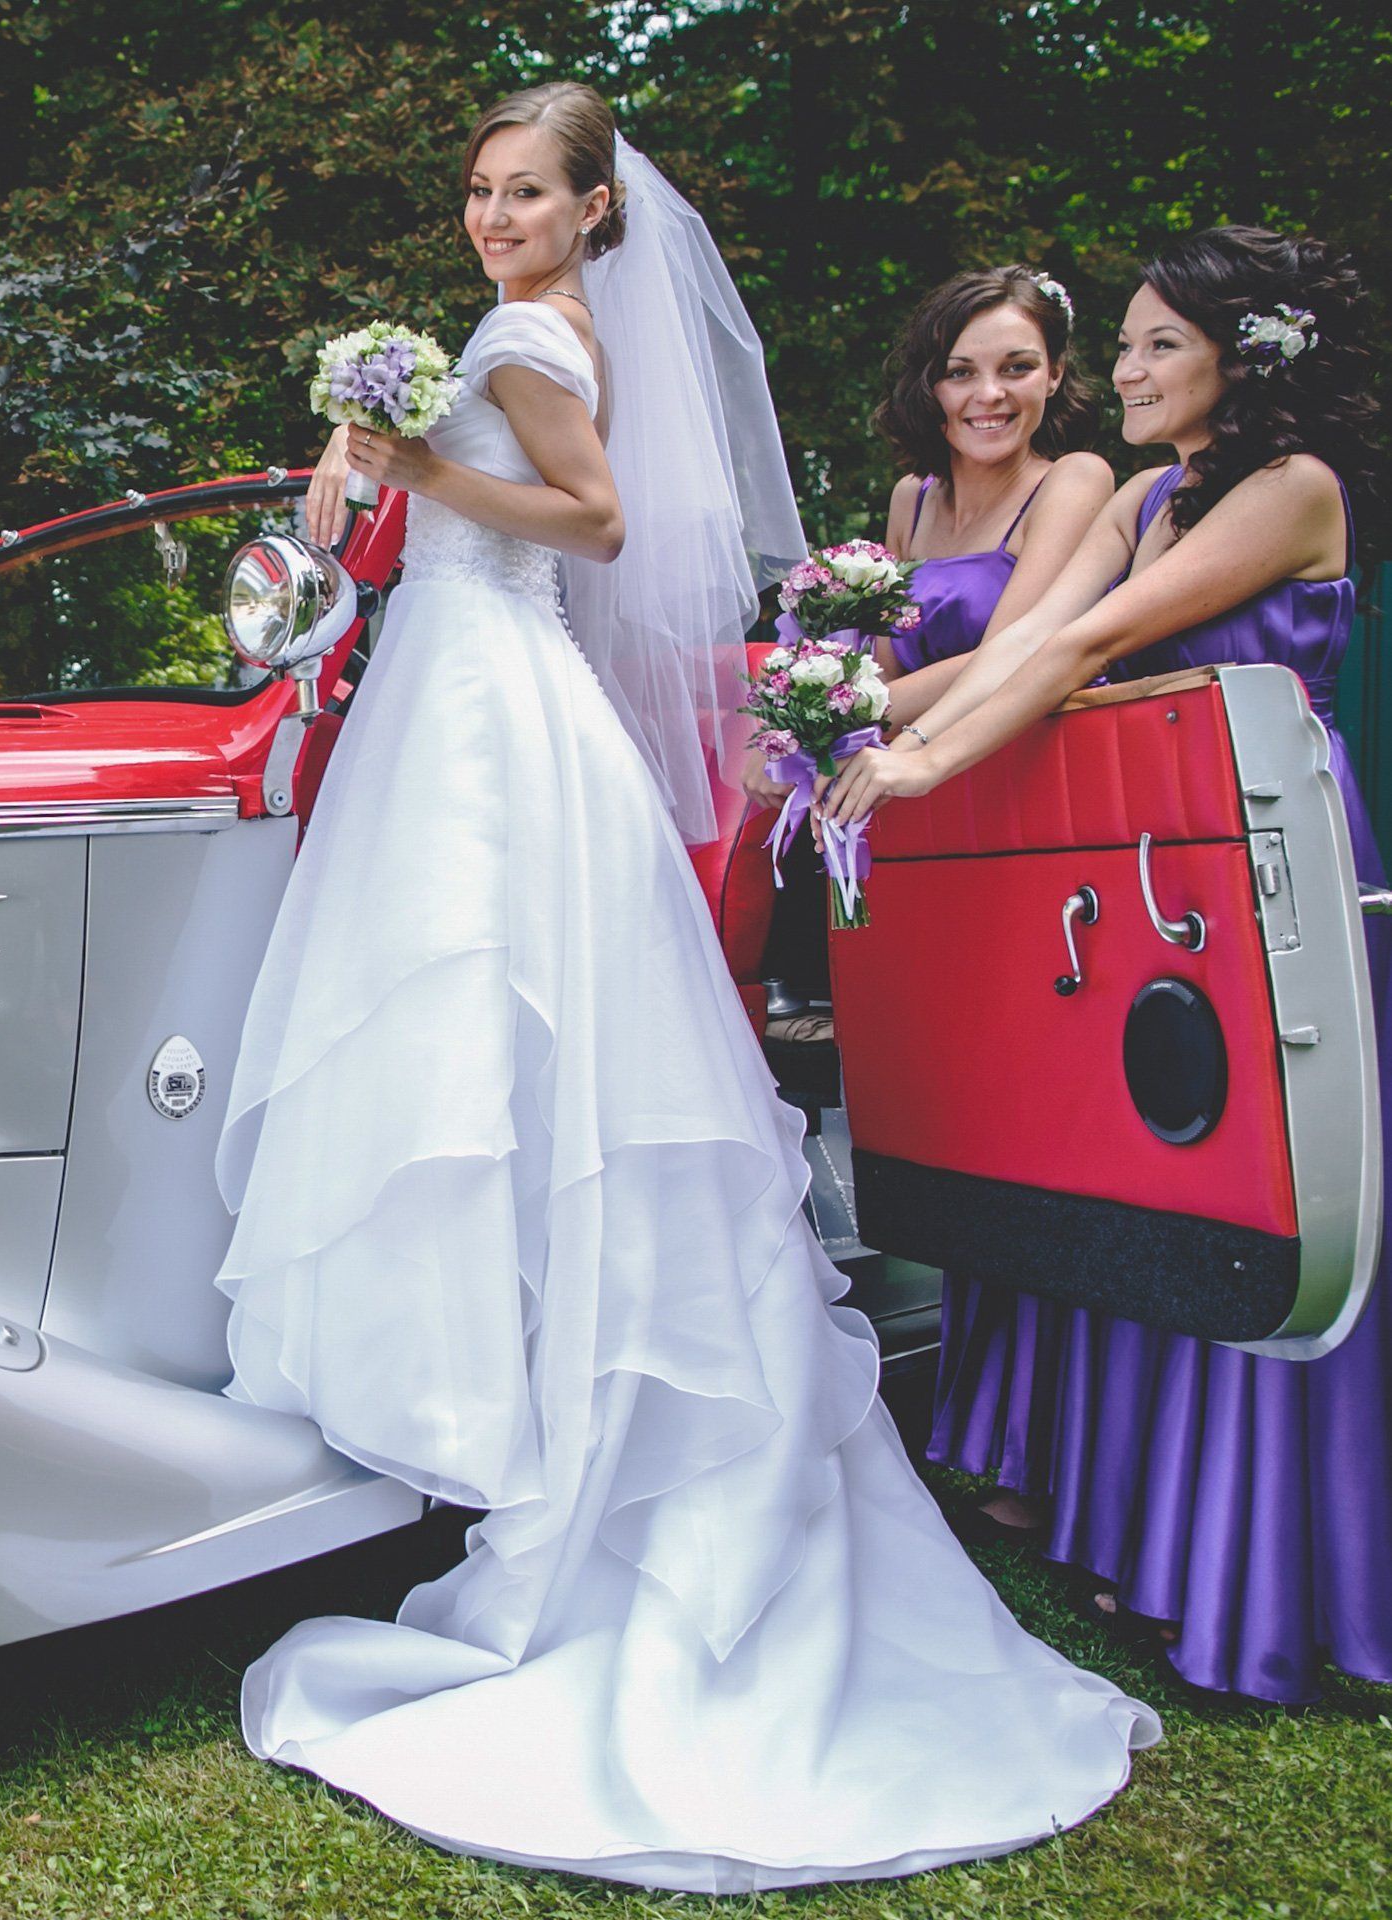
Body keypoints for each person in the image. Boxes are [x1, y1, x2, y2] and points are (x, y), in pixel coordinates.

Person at [214, 81, 1157, 1894]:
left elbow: (591, 522)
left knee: (501, 1041)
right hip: (465, 687)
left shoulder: (529, 334)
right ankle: (520, 1405)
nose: (493, 217)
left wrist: (415, 467)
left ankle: (549, 1428)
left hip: (490, 699)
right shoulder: (523, 327)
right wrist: (359, 447)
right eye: (478, 190)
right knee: (500, 1057)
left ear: (591, 212)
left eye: (525, 193)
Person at [821, 225, 1390, 1705]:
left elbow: (1092, 645)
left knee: (1257, 1187)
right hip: (1153, 850)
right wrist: (856, 721)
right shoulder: (1147, 493)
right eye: (1125, 345)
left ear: (1240, 357)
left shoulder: (1291, 490)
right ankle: (1142, 1529)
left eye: (1154, 346)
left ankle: (1260, 1577)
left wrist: (917, 760)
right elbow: (1038, 640)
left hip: (1264, 850)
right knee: (1151, 1181)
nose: (1122, 373)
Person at [747, 264, 1113, 1039]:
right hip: (906, 787)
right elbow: (885, 660)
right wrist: (791, 726)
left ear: (1054, 374)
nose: (990, 395)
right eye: (961, 372)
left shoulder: (1075, 482)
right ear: (930, 384)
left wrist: (826, 718)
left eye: (1017, 368)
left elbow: (1017, 648)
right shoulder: (912, 497)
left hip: (1013, 771)